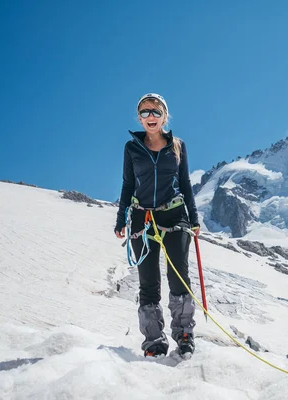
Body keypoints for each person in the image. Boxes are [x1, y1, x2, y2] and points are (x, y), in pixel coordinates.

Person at [114, 93, 200, 358]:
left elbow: (185, 184)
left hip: (174, 216)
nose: (149, 117)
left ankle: (184, 335)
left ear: (164, 115)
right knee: (148, 281)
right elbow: (128, 185)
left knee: (179, 277)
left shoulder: (177, 145)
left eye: (155, 112)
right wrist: (121, 219)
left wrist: (194, 219)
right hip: (142, 219)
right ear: (139, 118)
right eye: (144, 112)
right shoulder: (132, 148)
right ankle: (153, 341)